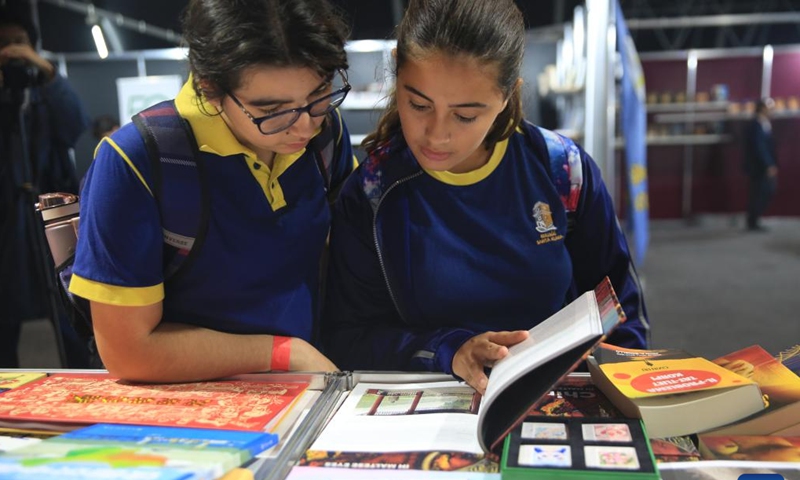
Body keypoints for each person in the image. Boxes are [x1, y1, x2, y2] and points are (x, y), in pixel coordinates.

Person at [323, 0, 649, 394]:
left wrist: (625, 392)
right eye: (418, 104)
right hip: (432, 410)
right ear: (396, 70)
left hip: (558, 400)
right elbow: (348, 337)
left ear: (508, 95)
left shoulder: (563, 171)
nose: (436, 134)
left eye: (465, 115)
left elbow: (620, 310)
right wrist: (447, 349)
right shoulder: (373, 195)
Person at [70, 0, 355, 383]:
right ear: (210, 86)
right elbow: (129, 352)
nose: (304, 127)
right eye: (272, 110)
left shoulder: (327, 135)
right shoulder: (137, 161)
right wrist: (284, 353)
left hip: (309, 384)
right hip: (187, 402)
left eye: (320, 94)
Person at [0, 7, 91, 368]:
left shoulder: (45, 89)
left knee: (67, 302)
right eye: (3, 44)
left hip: (50, 213)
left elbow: (74, 126)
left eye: (19, 43)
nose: (12, 51)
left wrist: (48, 73)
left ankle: (82, 378)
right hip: (7, 219)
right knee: (5, 315)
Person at [743, 98, 778, 232]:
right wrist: (768, 164)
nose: (773, 111)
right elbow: (759, 147)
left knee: (764, 192)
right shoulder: (756, 125)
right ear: (763, 109)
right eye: (771, 108)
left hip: (763, 166)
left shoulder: (765, 124)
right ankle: (753, 221)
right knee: (760, 192)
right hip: (759, 167)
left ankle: (754, 220)